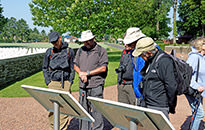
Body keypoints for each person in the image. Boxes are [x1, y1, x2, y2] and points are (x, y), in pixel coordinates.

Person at [132, 37, 177, 119]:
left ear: (148, 52)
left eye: (141, 54)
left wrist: (171, 105)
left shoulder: (164, 61)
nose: (140, 57)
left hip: (159, 106)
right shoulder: (150, 60)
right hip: (147, 103)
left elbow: (171, 86)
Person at [74, 30, 108, 130]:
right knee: (83, 110)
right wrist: (80, 73)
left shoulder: (101, 51)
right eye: (84, 41)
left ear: (93, 39)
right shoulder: (80, 50)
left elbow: (103, 68)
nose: (86, 43)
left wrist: (87, 73)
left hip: (96, 85)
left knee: (97, 110)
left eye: (88, 41)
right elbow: (75, 65)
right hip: (83, 85)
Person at [42, 31, 75, 130]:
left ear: (60, 38)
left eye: (56, 41)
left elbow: (72, 68)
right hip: (53, 82)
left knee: (64, 108)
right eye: (52, 43)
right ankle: (52, 128)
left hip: (65, 82)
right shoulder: (49, 52)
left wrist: (70, 81)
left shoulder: (69, 51)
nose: (54, 44)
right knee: (52, 109)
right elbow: (44, 68)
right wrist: (48, 81)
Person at [116, 27, 145, 105]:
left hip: (133, 86)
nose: (127, 44)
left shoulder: (142, 53)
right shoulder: (124, 52)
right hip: (122, 83)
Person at [185, 37, 205, 130]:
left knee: (196, 112)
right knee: (199, 113)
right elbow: (186, 74)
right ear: (201, 46)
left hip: (199, 91)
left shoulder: (203, 57)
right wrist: (196, 86)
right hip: (193, 89)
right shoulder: (194, 57)